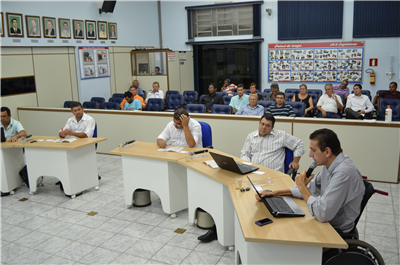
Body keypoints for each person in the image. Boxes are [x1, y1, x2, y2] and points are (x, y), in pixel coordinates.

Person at [198, 114, 304, 243]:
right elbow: (244, 153)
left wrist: (295, 160)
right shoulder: (251, 136)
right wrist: (248, 166)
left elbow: (299, 144)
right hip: (251, 175)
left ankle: (250, 233)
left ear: (272, 127)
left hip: (273, 178)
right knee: (230, 196)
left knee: (252, 202)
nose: (263, 127)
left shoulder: (281, 135)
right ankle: (217, 229)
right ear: (259, 123)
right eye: (262, 124)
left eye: (267, 125)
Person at [256, 128, 365, 234]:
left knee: (286, 231)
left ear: (327, 151)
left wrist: (302, 186)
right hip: (326, 222)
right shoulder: (329, 166)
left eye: (313, 150)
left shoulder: (343, 173)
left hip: (335, 230)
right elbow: (309, 189)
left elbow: (322, 213)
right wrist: (274, 193)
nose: (309, 154)